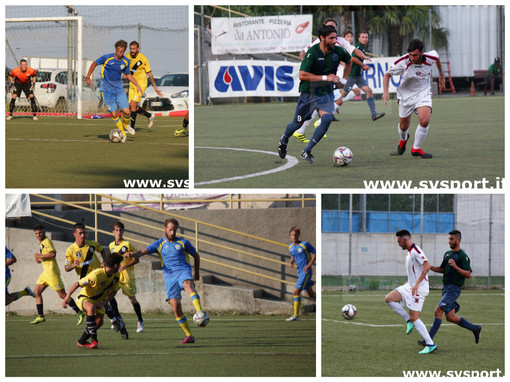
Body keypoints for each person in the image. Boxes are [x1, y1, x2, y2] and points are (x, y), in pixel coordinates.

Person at [277, 24, 352, 164]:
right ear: (322, 38)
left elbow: (349, 61)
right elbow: (302, 75)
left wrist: (344, 80)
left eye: (335, 37)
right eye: (331, 38)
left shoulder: (338, 51)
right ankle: (284, 140)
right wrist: (326, 78)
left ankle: (307, 150)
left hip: (326, 92)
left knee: (327, 118)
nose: (334, 41)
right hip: (309, 92)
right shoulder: (312, 52)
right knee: (297, 123)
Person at [127, 218, 203, 344]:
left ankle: (200, 312)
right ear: (165, 229)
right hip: (170, 277)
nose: (172, 233)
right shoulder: (159, 244)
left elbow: (196, 255)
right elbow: (142, 251)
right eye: (170, 230)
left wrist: (197, 273)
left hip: (183, 271)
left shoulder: (184, 243)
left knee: (188, 285)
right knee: (176, 308)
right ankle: (189, 335)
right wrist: (132, 255)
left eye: (174, 230)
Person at [293, 20, 369, 143]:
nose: (332, 29)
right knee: (338, 99)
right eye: (329, 27)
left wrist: (363, 57)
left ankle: (303, 129)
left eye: (334, 27)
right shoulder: (318, 41)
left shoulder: (340, 41)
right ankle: (315, 124)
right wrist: (307, 67)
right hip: (323, 78)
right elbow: (303, 53)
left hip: (335, 75)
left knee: (333, 100)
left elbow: (353, 51)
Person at [382, 39, 445, 158]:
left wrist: (441, 73)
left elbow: (437, 58)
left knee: (424, 120)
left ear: (422, 52)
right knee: (403, 127)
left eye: (414, 55)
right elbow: (387, 74)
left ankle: (416, 148)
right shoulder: (404, 61)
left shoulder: (430, 57)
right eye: (410, 55)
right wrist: (385, 92)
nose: (411, 58)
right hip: (405, 96)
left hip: (423, 93)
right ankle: (403, 139)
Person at [418, 230, 481, 346]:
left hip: (454, 288)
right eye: (449, 239)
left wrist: (456, 267)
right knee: (450, 317)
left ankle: (428, 341)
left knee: (438, 311)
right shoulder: (447, 254)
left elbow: (468, 274)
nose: (449, 241)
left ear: (458, 240)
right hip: (446, 288)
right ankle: (475, 328)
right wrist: (430, 267)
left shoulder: (462, 256)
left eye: (451, 239)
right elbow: (442, 269)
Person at [64, 222, 128, 339]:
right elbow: (66, 268)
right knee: (102, 305)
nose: (83, 235)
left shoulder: (92, 245)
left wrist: (105, 261)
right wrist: (73, 265)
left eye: (84, 233)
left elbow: (103, 250)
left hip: (101, 277)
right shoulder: (70, 250)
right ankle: (117, 323)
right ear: (75, 234)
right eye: (80, 233)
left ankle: (115, 322)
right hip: (89, 283)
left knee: (108, 300)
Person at [384, 230, 437, 354]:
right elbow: (414, 274)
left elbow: (427, 266)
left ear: (405, 240)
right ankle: (407, 320)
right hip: (410, 287)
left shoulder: (416, 251)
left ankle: (430, 344)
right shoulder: (409, 253)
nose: (398, 244)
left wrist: (417, 284)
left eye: (399, 241)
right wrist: (408, 285)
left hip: (418, 289)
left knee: (415, 317)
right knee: (389, 298)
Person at [62, 252, 124, 349]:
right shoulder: (96, 275)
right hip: (85, 297)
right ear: (115, 265)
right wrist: (67, 297)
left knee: (99, 322)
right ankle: (94, 341)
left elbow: (114, 292)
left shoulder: (116, 276)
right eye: (119, 264)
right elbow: (77, 284)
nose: (120, 266)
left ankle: (81, 341)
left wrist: (103, 302)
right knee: (90, 308)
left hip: (99, 301)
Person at [85, 40, 143, 142]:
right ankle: (123, 134)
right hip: (106, 90)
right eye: (118, 51)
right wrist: (88, 76)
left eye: (121, 52)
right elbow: (94, 63)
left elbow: (128, 74)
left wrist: (137, 85)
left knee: (126, 111)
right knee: (115, 114)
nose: (119, 53)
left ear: (124, 51)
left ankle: (125, 125)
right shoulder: (107, 58)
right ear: (115, 49)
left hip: (119, 89)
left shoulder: (125, 61)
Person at [30, 224, 84, 325]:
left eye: (40, 232)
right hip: (46, 272)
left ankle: (79, 312)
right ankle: (40, 316)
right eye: (36, 233)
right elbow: (48, 257)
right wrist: (40, 259)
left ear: (44, 231)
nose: (38, 235)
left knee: (62, 295)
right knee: (36, 292)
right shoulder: (42, 243)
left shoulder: (47, 241)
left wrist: (40, 256)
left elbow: (53, 253)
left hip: (52, 272)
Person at [108, 221, 145, 333]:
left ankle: (140, 321)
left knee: (131, 299)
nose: (118, 233)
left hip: (127, 275)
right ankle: (119, 318)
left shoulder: (127, 245)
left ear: (123, 232)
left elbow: (136, 259)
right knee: (109, 295)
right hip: (116, 275)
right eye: (116, 231)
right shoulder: (111, 245)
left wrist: (125, 266)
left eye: (120, 230)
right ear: (113, 232)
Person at [343, 31, 385, 122]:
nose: (365, 39)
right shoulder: (357, 47)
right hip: (352, 75)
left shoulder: (361, 48)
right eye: (363, 37)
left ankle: (374, 114)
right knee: (343, 94)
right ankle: (327, 106)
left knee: (368, 91)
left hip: (358, 76)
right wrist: (363, 65)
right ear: (358, 38)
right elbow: (352, 58)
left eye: (366, 37)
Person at [125, 41, 163, 133]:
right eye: (131, 49)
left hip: (141, 84)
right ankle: (149, 115)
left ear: (138, 49)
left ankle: (132, 128)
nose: (132, 51)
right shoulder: (127, 57)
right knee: (131, 106)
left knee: (133, 104)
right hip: (132, 84)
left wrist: (155, 88)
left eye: (134, 49)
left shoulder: (143, 58)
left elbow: (149, 74)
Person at [286, 227, 316, 321]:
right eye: (292, 235)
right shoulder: (290, 246)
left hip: (306, 272)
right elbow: (293, 255)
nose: (294, 236)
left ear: (299, 235)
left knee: (295, 292)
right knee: (310, 295)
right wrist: (291, 262)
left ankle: (296, 315)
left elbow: (315, 252)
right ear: (290, 236)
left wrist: (310, 264)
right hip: (299, 272)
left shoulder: (305, 244)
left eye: (296, 235)